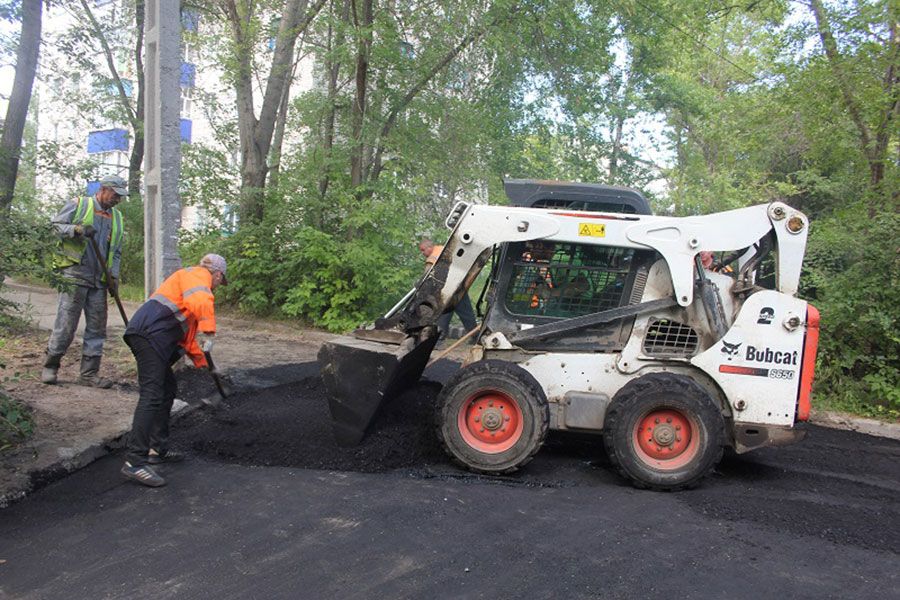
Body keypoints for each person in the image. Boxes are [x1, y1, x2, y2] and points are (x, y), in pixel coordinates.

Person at [120, 254, 227, 487]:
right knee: (152, 394)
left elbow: (187, 342)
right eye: (221, 280)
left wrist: (208, 367)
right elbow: (202, 301)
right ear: (217, 273)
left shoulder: (188, 293)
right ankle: (135, 462)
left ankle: (157, 449)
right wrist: (209, 331)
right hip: (150, 335)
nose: (219, 285)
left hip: (152, 336)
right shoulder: (197, 277)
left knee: (167, 389)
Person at [42, 175, 127, 388]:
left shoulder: (116, 218)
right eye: (115, 195)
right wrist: (76, 230)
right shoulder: (79, 205)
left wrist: (113, 276)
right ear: (103, 189)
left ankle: (88, 374)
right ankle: (51, 365)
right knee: (67, 323)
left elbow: (115, 251)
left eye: (120, 197)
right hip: (74, 274)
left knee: (97, 327)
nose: (117, 200)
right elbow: (53, 227)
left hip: (99, 280)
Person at [418, 238, 478, 338]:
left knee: (443, 314)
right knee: (467, 314)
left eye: (423, 250)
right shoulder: (444, 249)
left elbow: (426, 277)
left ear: (430, 247)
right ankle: (476, 337)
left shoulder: (432, 258)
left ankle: (438, 340)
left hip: (448, 290)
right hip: (460, 285)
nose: (422, 253)